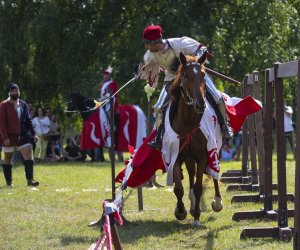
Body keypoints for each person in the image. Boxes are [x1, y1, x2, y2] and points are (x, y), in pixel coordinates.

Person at [136, 25, 233, 150]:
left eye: (147, 43)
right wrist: (139, 72)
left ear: (156, 42)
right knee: (159, 107)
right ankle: (158, 137)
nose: (146, 47)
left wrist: (197, 60)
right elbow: (146, 70)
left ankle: (225, 126)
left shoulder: (180, 43)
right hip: (172, 79)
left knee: (218, 98)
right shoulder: (151, 54)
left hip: (194, 75)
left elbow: (201, 49)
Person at [0, 83, 39, 187]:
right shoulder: (4, 105)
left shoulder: (23, 104)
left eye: (16, 90)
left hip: (23, 135)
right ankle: (9, 182)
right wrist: (5, 138)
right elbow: (1, 123)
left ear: (19, 91)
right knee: (7, 160)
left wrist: (33, 134)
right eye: (12, 91)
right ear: (9, 92)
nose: (14, 93)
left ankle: (30, 180)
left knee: (29, 156)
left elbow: (28, 120)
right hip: (9, 136)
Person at [99, 66, 123, 162]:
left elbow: (110, 95)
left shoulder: (112, 83)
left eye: (107, 74)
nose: (105, 75)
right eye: (104, 74)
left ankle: (118, 156)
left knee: (114, 132)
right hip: (103, 107)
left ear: (109, 75)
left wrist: (100, 100)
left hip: (111, 109)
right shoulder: (102, 84)